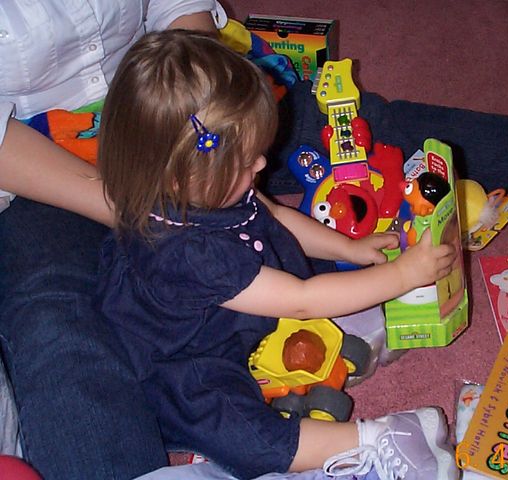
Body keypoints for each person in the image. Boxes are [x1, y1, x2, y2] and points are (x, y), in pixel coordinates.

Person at [95, 29, 459, 480]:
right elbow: (301, 299)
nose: (263, 165)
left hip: (241, 301)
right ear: (178, 177)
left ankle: (344, 319)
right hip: (191, 356)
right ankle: (381, 436)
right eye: (247, 161)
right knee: (245, 438)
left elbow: (278, 217)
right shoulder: (187, 253)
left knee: (293, 253)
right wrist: (404, 275)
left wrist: (347, 246)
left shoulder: (207, 190)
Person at [0, 2, 231, 479]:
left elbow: (177, 9)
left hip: (155, 106)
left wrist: (202, 105)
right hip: (30, 167)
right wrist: (140, 206)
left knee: (334, 127)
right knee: (57, 311)